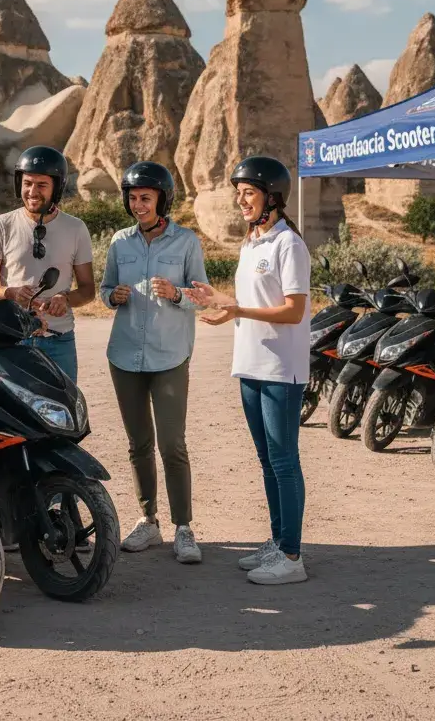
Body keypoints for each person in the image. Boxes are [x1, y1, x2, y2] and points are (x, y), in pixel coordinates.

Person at [184, 156, 310, 585]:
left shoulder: (288, 245)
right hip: (251, 365)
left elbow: (293, 311)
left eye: (248, 193)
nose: (241, 201)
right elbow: (256, 305)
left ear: (272, 197)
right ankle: (278, 542)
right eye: (238, 193)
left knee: (284, 459)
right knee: (267, 460)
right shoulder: (253, 244)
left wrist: (235, 307)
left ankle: (292, 556)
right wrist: (220, 303)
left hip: (281, 368)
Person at [100, 161, 209, 565]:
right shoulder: (119, 242)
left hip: (169, 355)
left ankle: (184, 527)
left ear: (162, 199)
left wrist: (177, 293)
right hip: (124, 355)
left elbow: (201, 293)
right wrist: (113, 297)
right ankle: (149, 520)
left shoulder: (186, 242)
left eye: (145, 197)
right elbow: (105, 288)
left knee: (172, 444)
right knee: (138, 445)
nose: (138, 204)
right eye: (132, 198)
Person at [0, 146, 95, 382]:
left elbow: (88, 290)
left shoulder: (76, 228)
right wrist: (9, 292)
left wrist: (65, 299)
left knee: (66, 412)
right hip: (11, 337)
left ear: (57, 188)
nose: (32, 191)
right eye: (27, 183)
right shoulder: (3, 224)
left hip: (58, 339)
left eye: (42, 185)